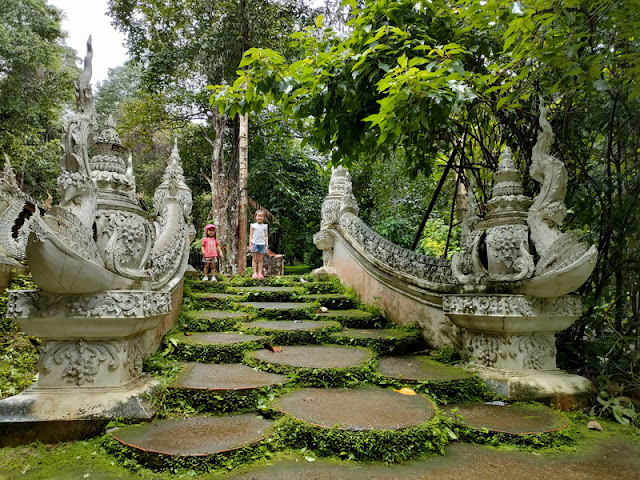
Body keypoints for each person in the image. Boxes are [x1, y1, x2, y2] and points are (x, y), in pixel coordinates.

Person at [249, 210, 268, 279]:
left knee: (260, 259)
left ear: (264, 217)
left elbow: (266, 236)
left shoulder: (265, 226)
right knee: (254, 258)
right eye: (258, 216)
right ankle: (254, 273)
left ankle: (260, 273)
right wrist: (250, 244)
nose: (260, 217)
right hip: (254, 243)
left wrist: (266, 245)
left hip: (262, 244)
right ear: (256, 217)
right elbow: (251, 235)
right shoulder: (253, 225)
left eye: (261, 216)